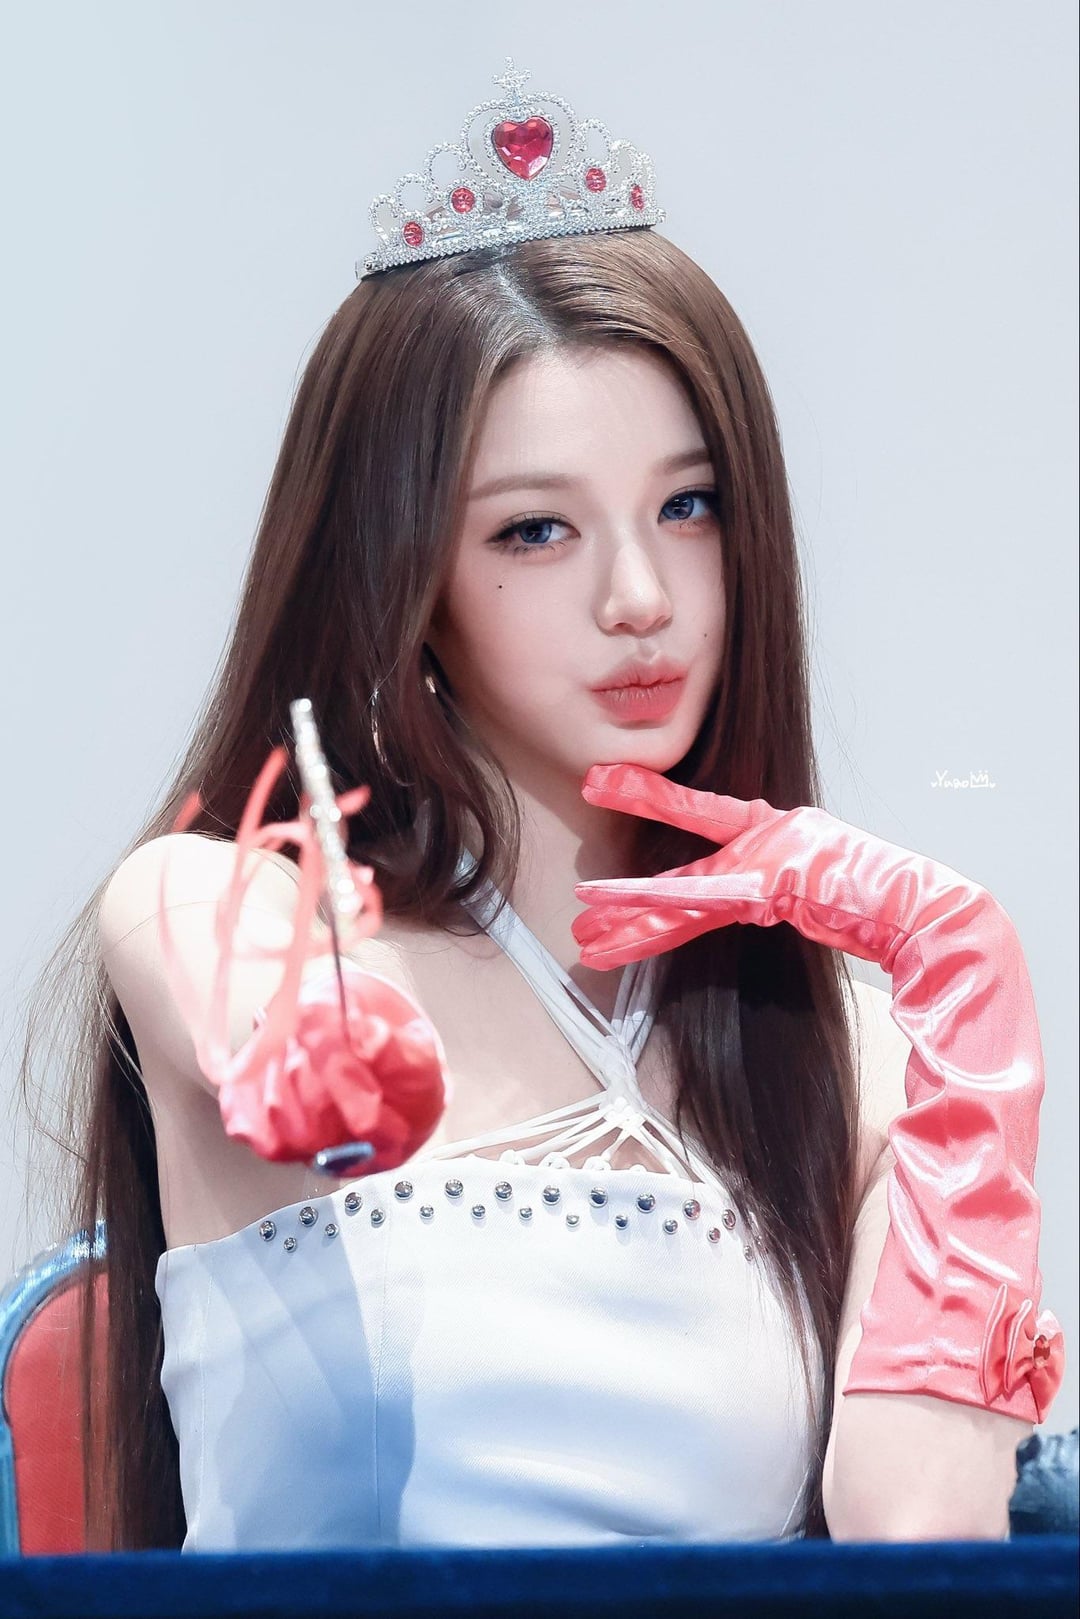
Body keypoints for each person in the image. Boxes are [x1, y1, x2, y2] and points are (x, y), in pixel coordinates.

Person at [20, 60, 1063, 1554]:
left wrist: (969, 985)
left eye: (688, 507)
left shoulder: (839, 1054)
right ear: (401, 575)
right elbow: (303, 1074)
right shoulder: (223, 906)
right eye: (534, 530)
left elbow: (914, 1540)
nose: (640, 596)